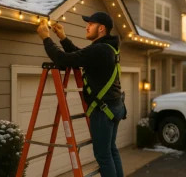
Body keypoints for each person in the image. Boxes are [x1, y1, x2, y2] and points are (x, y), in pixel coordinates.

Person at [37, 12, 126, 177]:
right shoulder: (108, 47)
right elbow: (79, 55)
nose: (86, 27)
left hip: (103, 112)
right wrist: (62, 38)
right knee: (111, 150)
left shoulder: (99, 49)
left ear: (101, 28)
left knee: (103, 156)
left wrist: (46, 38)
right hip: (114, 107)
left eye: (90, 24)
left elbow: (63, 60)